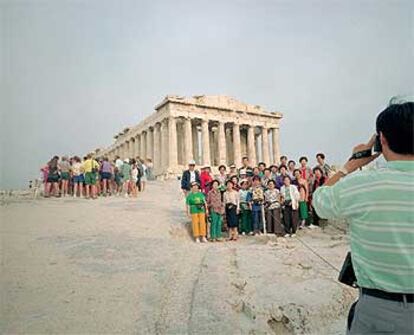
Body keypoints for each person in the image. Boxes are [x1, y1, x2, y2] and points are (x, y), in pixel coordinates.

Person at [312, 101, 414, 335]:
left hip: (380, 312)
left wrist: (350, 165)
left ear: (382, 140)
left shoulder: (361, 186)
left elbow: (320, 202)